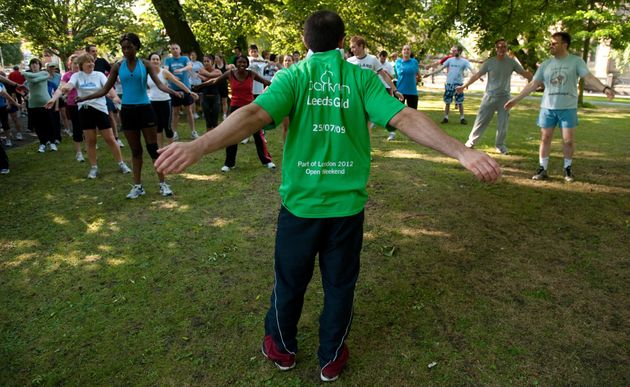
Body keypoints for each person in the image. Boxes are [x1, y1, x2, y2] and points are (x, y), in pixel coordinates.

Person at [155, 10, 500, 382]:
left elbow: (254, 113)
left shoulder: (294, 76)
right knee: (339, 285)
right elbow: (404, 118)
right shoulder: (359, 78)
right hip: (345, 210)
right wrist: (461, 151)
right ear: (341, 42)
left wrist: (200, 145)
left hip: (301, 208)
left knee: (290, 282)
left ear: (305, 42)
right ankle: (331, 355)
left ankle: (282, 347)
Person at [76, 33, 183, 197]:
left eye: (129, 47)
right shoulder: (118, 66)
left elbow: (160, 84)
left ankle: (163, 183)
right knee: (135, 151)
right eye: (123, 48)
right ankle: (137, 186)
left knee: (153, 149)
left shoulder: (145, 64)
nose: (126, 51)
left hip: (145, 110)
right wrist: (84, 98)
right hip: (128, 111)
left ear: (136, 47)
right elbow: (105, 89)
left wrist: (173, 92)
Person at [505, 31, 615, 182]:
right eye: (550, 43)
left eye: (554, 43)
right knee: (545, 138)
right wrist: (516, 100)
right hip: (547, 108)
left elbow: (588, 77)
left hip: (568, 108)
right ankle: (542, 169)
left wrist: (604, 88)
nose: (551, 45)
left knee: (568, 141)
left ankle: (567, 170)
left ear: (565, 44)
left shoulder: (576, 61)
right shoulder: (546, 64)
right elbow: (533, 84)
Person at [46, 53, 132, 179]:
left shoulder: (99, 75)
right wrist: (53, 99)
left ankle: (122, 164)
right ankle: (94, 168)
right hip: (85, 111)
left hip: (101, 110)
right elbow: (65, 87)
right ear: (81, 65)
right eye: (88, 62)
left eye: (92, 61)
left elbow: (109, 89)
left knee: (110, 138)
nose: (91, 64)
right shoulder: (77, 76)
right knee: (91, 141)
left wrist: (115, 97)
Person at [456, 39, 533, 154]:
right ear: (496, 48)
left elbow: (523, 73)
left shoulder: (512, 62)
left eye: (504, 47)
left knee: (503, 124)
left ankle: (500, 146)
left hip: (505, 98)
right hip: (489, 97)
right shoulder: (490, 62)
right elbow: (477, 75)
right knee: (481, 121)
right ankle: (470, 143)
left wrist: (533, 76)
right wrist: (464, 86)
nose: (502, 49)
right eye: (499, 47)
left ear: (507, 48)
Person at [204, 55, 274, 172]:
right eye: (239, 62)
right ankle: (229, 163)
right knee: (232, 134)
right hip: (235, 108)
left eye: (244, 63)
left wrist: (280, 87)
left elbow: (266, 82)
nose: (242, 65)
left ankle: (267, 161)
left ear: (247, 64)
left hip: (250, 107)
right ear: (235, 64)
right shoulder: (230, 74)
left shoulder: (251, 74)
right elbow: (215, 81)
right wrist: (200, 86)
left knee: (258, 135)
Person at [147, 53, 194, 148]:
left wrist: (189, 92)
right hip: (153, 102)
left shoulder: (164, 72)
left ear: (160, 61)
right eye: (153, 59)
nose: (155, 61)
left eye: (157, 59)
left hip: (165, 102)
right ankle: (160, 149)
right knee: (158, 128)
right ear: (150, 61)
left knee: (167, 127)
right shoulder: (147, 74)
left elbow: (177, 82)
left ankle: (171, 148)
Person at [424, 45, 473, 124]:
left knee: (460, 102)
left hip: (459, 85)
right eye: (453, 51)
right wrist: (430, 74)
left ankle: (462, 118)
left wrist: (478, 76)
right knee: (447, 101)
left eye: (455, 51)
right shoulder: (450, 60)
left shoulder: (464, 61)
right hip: (449, 84)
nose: (453, 52)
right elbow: (440, 68)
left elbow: (471, 70)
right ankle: (446, 118)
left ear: (459, 51)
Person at [165, 42, 198, 140]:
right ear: (171, 50)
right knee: (175, 112)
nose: (175, 50)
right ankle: (174, 132)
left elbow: (190, 66)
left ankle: (193, 132)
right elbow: (166, 70)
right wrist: (172, 77)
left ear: (180, 50)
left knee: (189, 111)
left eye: (176, 48)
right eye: (173, 49)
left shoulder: (185, 58)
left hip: (185, 88)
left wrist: (181, 70)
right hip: (174, 90)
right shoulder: (168, 60)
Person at [23, 58, 57, 153]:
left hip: (45, 102)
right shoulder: (29, 75)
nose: (34, 65)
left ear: (39, 65)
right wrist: (44, 77)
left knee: (49, 123)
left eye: (36, 64)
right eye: (32, 64)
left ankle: (52, 142)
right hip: (33, 104)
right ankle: (42, 143)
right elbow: (33, 81)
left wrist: (25, 73)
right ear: (30, 66)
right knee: (38, 125)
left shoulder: (44, 73)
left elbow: (36, 79)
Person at [59, 54, 85, 162]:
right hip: (73, 105)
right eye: (74, 63)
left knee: (87, 126)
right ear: (70, 64)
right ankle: (79, 152)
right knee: (77, 127)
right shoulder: (66, 75)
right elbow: (62, 87)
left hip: (85, 103)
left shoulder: (85, 74)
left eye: (78, 63)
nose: (77, 66)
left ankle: (90, 147)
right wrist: (64, 91)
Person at [196, 54, 222, 132]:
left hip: (215, 97)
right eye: (204, 61)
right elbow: (211, 79)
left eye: (208, 61)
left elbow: (213, 79)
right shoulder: (201, 70)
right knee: (208, 120)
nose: (206, 63)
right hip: (205, 97)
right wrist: (211, 78)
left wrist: (205, 78)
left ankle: (216, 137)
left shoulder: (218, 70)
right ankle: (208, 138)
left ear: (213, 62)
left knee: (215, 119)